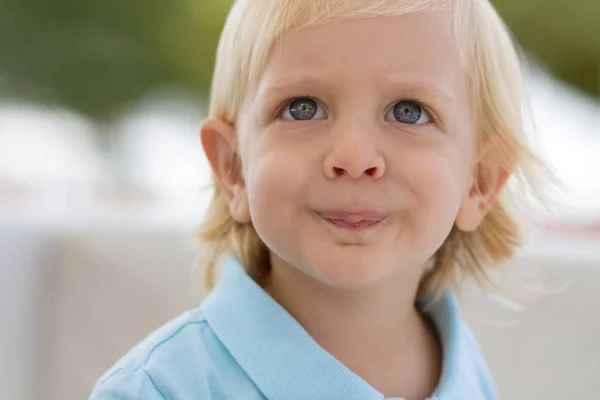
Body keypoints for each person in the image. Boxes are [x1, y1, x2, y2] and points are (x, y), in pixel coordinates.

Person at [90, 0, 546, 399]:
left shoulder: (463, 369)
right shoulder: (158, 391)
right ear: (233, 169)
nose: (353, 156)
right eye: (302, 107)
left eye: (409, 111)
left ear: (480, 182)